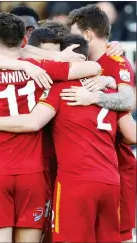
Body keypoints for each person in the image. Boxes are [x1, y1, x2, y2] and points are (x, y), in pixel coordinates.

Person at [0, 34, 136, 243]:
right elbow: (131, 135)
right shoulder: (111, 92)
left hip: (74, 182)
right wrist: (110, 80)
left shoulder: (58, 88)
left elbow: (33, 122)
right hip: (110, 181)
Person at [62, 5, 136, 241]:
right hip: (89, 166)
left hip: (116, 165)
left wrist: (95, 97)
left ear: (86, 34)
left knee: (118, 235)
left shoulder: (116, 61)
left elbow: (128, 99)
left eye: (74, 33)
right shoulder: (81, 65)